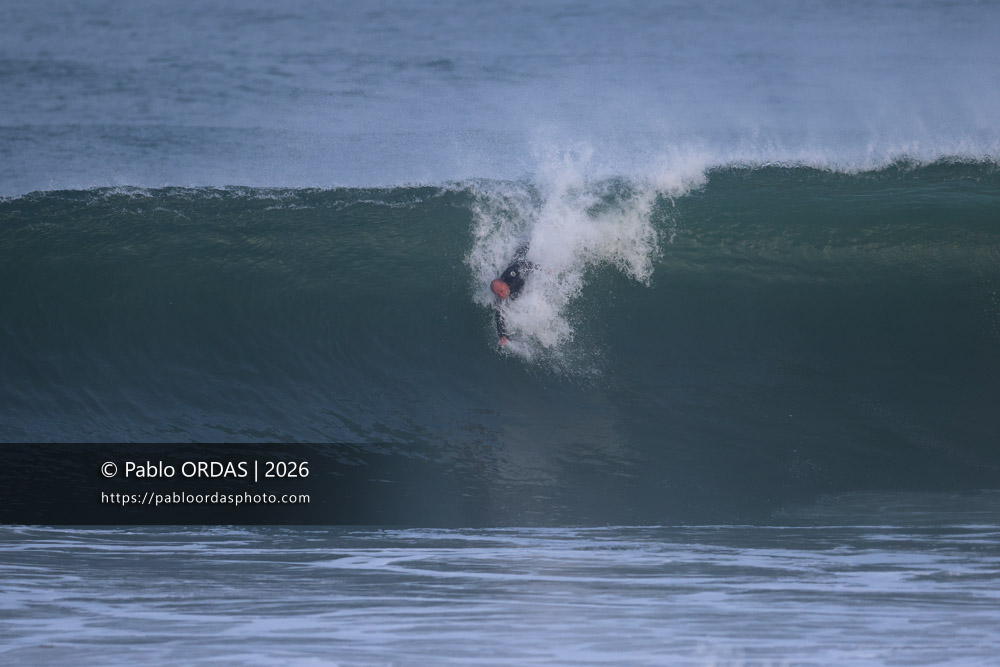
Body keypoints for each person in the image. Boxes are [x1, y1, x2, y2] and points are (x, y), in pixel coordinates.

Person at [490, 244, 533, 347]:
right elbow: (499, 317)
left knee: (526, 248)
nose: (500, 295)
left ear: (505, 285)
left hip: (520, 258)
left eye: (500, 291)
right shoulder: (501, 297)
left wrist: (542, 270)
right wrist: (502, 335)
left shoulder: (511, 275)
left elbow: (526, 265)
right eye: (497, 294)